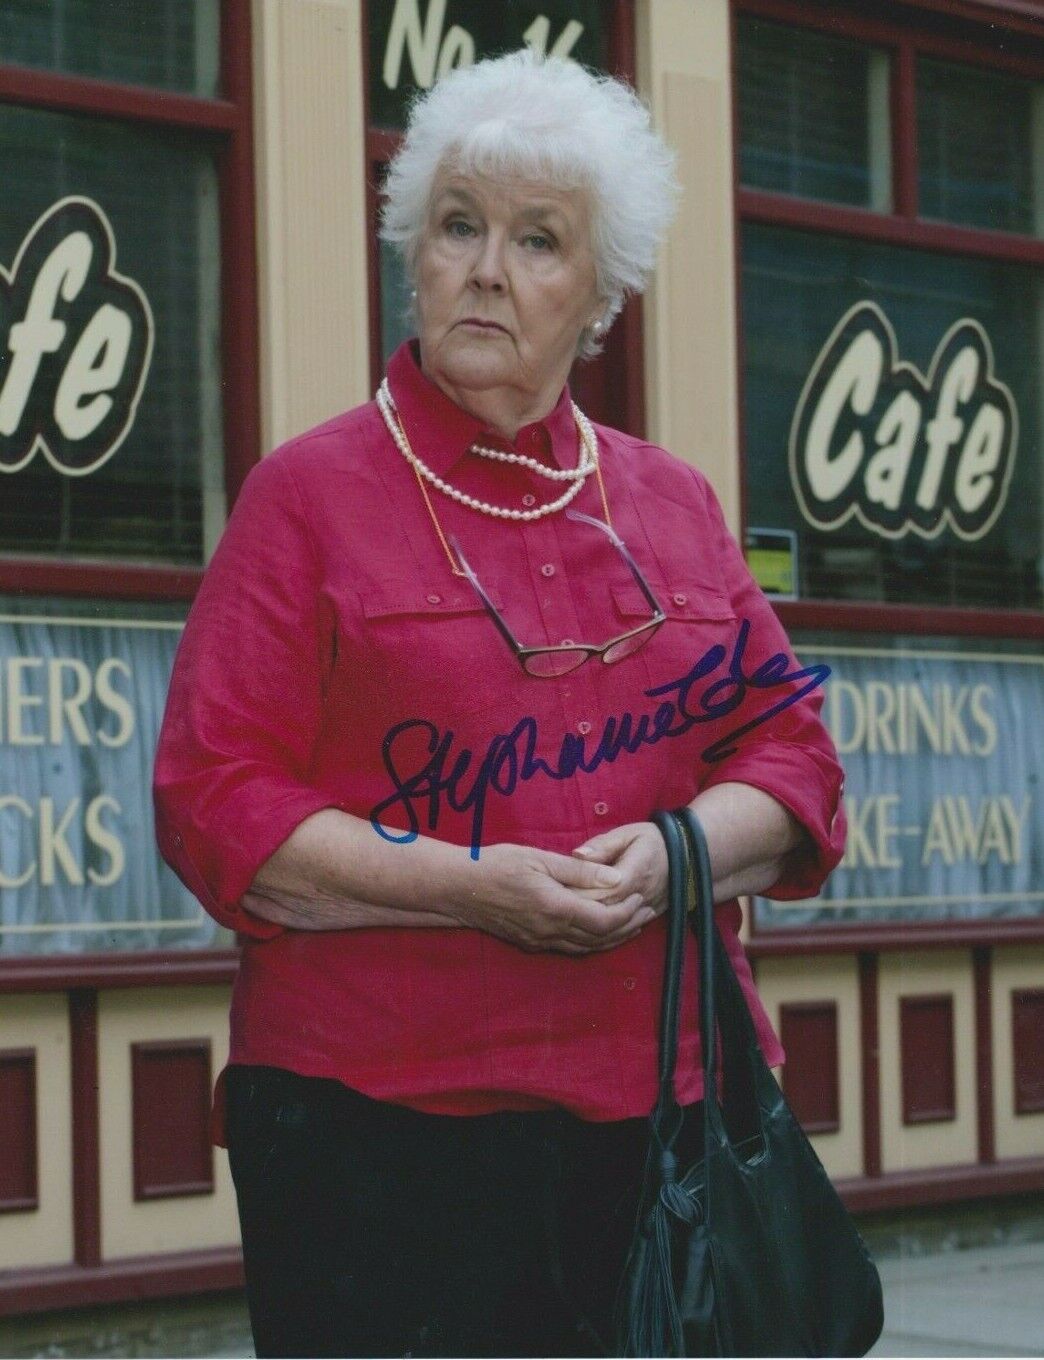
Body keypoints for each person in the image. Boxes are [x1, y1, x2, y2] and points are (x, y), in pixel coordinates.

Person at [154, 49, 846, 1359]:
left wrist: (681, 850)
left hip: (662, 1129)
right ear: (411, 253)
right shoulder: (305, 497)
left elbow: (795, 756)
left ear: (601, 297)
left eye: (538, 241)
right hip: (375, 1140)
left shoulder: (675, 506)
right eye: (458, 226)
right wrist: (473, 887)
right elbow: (213, 802)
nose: (485, 268)